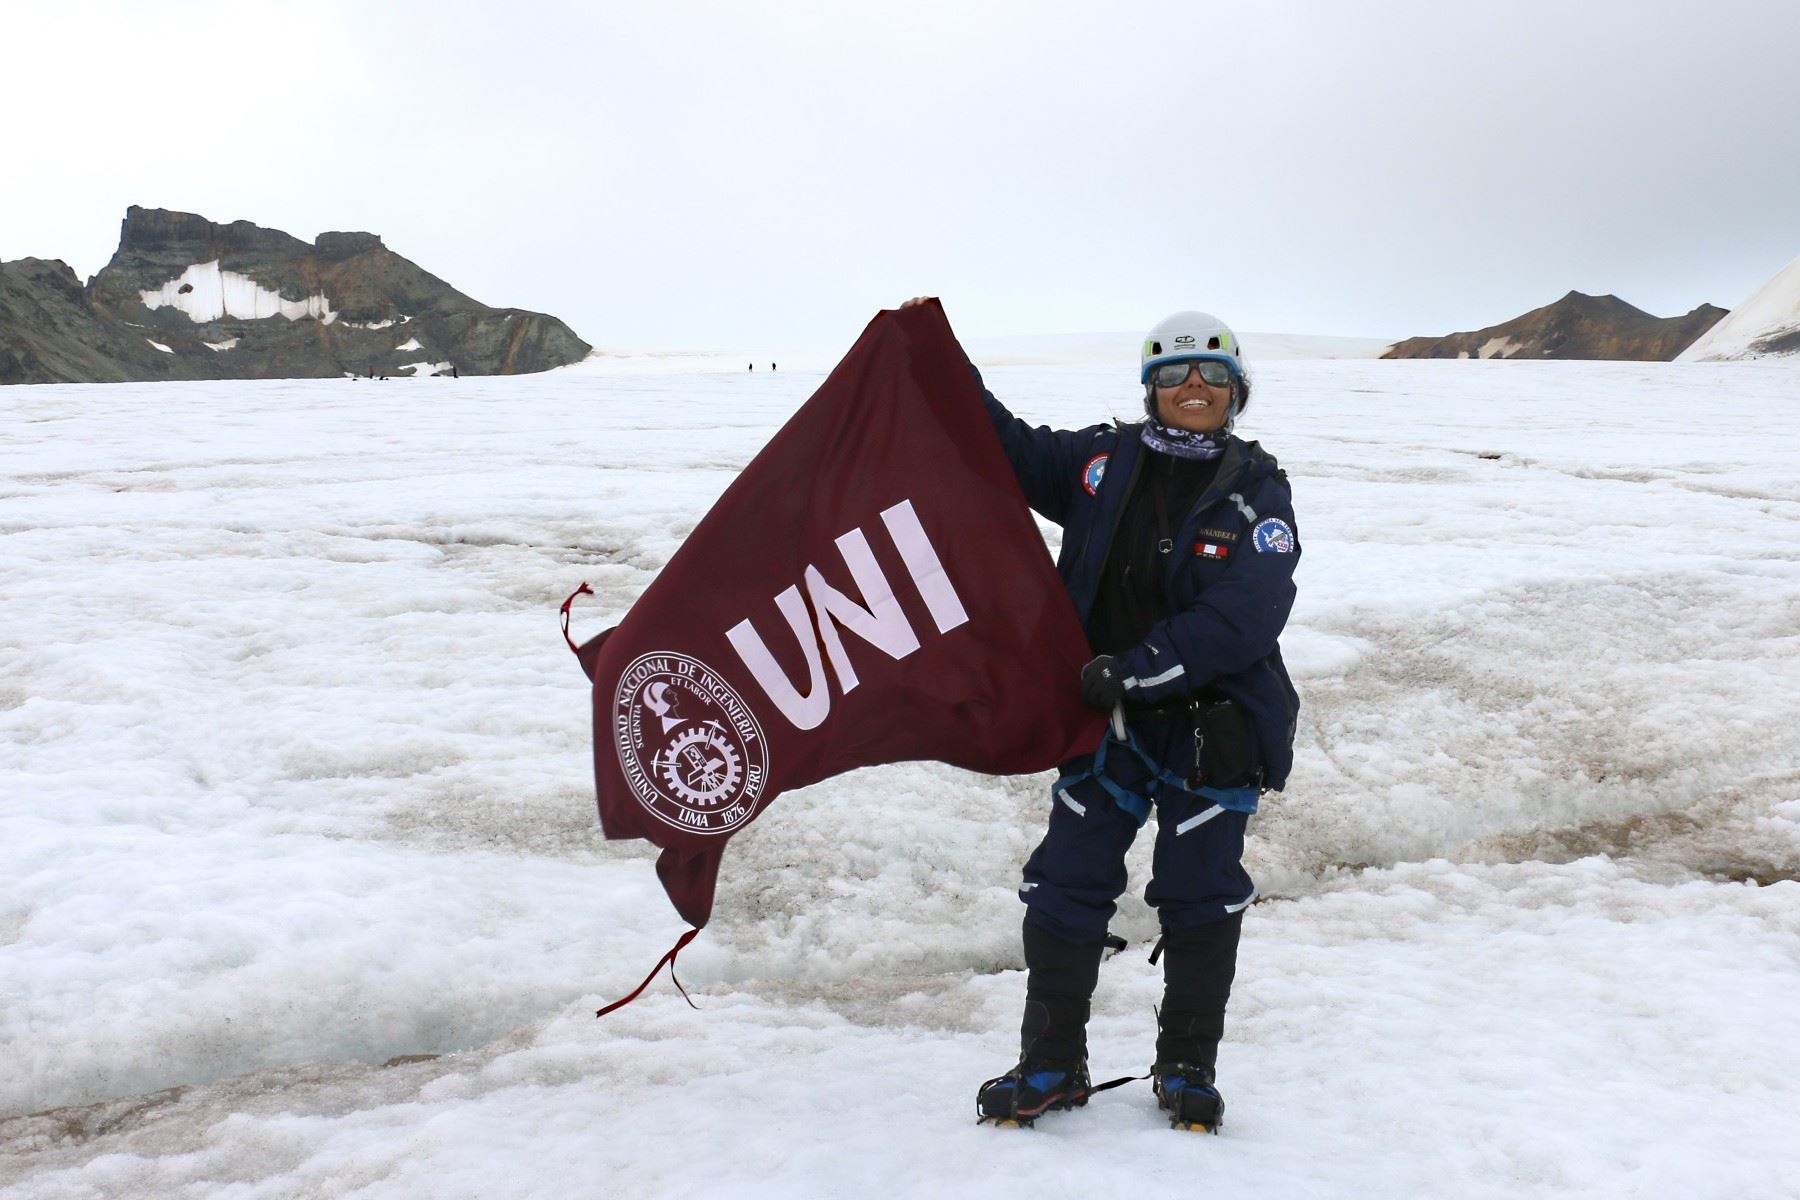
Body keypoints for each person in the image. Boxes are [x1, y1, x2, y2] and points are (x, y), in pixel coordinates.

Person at [901, 300, 1300, 1131]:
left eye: (1213, 372)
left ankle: (1187, 1067)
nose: (1194, 385)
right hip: (1107, 727)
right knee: (1065, 885)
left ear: (1236, 389)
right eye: (1175, 371)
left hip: (1209, 731)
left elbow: (1246, 615)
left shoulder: (1258, 493)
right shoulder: (1099, 463)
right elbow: (1001, 447)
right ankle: (1052, 1063)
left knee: (1200, 895)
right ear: (1151, 385)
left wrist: (1137, 668)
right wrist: (938, 354)